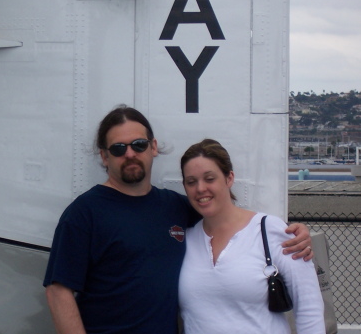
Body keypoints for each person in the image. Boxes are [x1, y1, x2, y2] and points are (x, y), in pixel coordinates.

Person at [43, 106, 313, 334]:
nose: (130, 154)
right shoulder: (84, 213)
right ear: (104, 156)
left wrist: (291, 233)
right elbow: (58, 292)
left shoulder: (176, 207)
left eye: (139, 144)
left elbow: (227, 219)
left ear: (153, 147)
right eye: (118, 148)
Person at [178, 139, 325, 334]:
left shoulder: (270, 231)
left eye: (210, 178)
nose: (200, 188)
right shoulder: (185, 239)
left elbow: (309, 308)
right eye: (191, 182)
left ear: (229, 178)